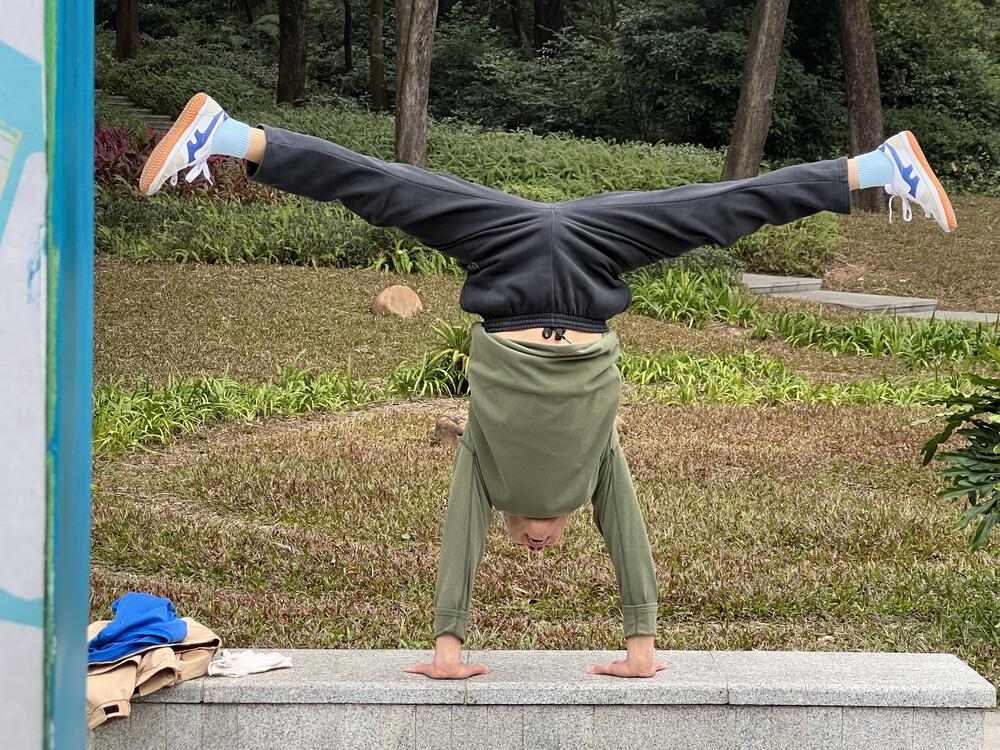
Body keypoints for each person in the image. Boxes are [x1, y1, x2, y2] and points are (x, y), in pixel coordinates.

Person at [139, 92, 957, 680]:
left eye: (522, 550)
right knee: (720, 209)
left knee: (386, 191)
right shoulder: (592, 472)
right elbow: (630, 540)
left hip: (509, 264)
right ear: (568, 531)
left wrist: (449, 647)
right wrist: (641, 646)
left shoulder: (492, 474)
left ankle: (231, 136)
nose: (534, 548)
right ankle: (874, 166)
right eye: (548, 550)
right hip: (591, 258)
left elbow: (462, 536)